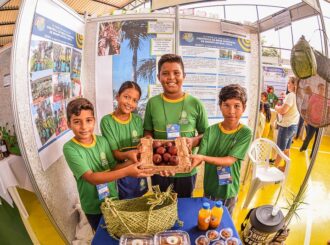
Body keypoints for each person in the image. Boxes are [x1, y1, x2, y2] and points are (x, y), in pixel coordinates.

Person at [63, 98, 151, 231]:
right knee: (101, 235)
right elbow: (91, 178)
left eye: (88, 120)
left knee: (117, 232)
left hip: (113, 199)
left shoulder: (102, 141)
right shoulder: (70, 148)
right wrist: (127, 171)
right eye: (77, 122)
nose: (84, 127)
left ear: (94, 120)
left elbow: (113, 167)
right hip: (93, 207)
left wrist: (133, 160)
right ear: (68, 124)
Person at [143, 54, 209, 198]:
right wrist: (147, 142)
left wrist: (193, 141)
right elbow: (148, 131)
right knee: (159, 205)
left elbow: (206, 135)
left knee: (184, 208)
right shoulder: (152, 103)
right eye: (165, 73)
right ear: (159, 77)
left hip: (187, 170)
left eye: (176, 73)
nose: (171, 77)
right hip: (159, 169)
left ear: (184, 76)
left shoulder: (196, 104)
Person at [191, 84, 252, 215]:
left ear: (244, 108)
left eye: (237, 106)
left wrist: (202, 158)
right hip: (210, 189)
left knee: (225, 222)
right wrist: (185, 164)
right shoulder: (211, 131)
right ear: (220, 106)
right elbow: (199, 158)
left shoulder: (245, 133)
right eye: (226, 105)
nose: (231, 111)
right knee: (207, 219)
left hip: (229, 190)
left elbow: (229, 160)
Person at [100, 81, 148, 199]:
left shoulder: (137, 120)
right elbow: (116, 154)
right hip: (121, 172)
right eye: (126, 97)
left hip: (138, 169)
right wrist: (131, 156)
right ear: (117, 96)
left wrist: (144, 145)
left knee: (139, 200)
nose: (129, 103)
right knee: (124, 203)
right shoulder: (107, 121)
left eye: (134, 100)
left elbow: (142, 144)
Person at [273, 76, 300, 171]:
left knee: (280, 150)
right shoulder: (298, 96)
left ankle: (274, 170)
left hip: (286, 127)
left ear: (294, 85)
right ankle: (285, 167)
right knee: (287, 149)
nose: (287, 84)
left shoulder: (291, 95)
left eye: (289, 83)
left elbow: (283, 110)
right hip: (293, 126)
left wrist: (276, 107)